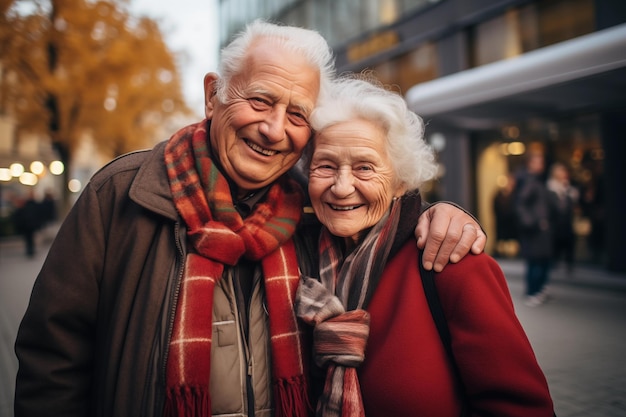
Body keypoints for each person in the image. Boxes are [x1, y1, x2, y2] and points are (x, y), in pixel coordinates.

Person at [14, 21, 486, 417]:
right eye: (260, 100)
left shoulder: (310, 211)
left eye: (297, 113)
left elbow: (378, 211)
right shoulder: (119, 195)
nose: (273, 128)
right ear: (213, 95)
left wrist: (443, 214)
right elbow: (53, 364)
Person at [296, 74, 554, 416]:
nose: (342, 187)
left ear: (401, 181)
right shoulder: (293, 261)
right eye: (326, 166)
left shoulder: (452, 263)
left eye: (365, 168)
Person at [515, 150, 558, 307]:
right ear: (530, 163)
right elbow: (521, 205)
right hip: (535, 232)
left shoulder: (537, 180)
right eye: (538, 161)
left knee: (542, 261)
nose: (542, 165)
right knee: (535, 262)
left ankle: (538, 290)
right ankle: (532, 292)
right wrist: (534, 222)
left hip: (541, 231)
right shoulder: (528, 181)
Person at [547, 162, 579, 274]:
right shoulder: (550, 188)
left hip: (567, 222)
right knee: (556, 244)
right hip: (555, 223)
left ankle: (569, 264)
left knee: (569, 242)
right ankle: (554, 263)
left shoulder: (569, 189)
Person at [12, 191, 42, 258]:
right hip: (27, 225)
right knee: (28, 239)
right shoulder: (26, 206)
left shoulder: (31, 205)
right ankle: (30, 250)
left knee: (30, 239)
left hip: (29, 225)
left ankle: (30, 250)